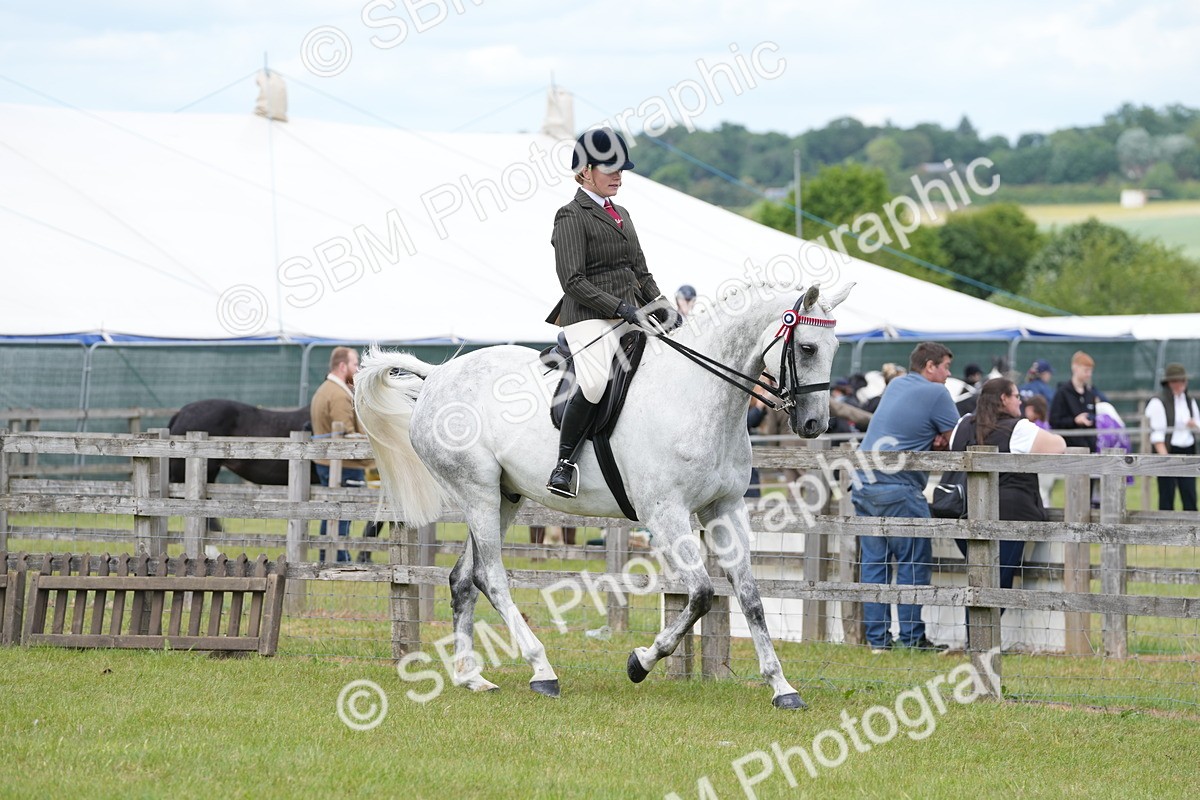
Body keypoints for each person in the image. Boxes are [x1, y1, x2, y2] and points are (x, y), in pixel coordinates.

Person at [543, 128, 677, 499]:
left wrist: (666, 309)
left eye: (622, 169)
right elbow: (572, 280)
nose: (619, 175)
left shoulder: (622, 214)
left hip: (630, 313)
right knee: (597, 381)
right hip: (588, 316)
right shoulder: (570, 215)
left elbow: (640, 272)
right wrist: (620, 308)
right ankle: (564, 464)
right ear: (585, 171)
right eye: (611, 168)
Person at [852, 342, 961, 654]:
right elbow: (958, 437)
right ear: (929, 367)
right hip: (898, 488)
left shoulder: (897, 383)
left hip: (863, 483)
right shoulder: (937, 392)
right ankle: (912, 639)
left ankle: (878, 643)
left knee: (874, 564)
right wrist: (940, 437)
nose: (948, 374)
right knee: (912, 562)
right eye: (944, 367)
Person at [949, 378, 1067, 602]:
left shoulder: (963, 424)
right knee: (995, 586)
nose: (1020, 402)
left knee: (980, 581)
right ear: (1004, 398)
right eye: (1017, 396)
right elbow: (1058, 446)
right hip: (1008, 517)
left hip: (964, 513)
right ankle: (975, 638)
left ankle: (974, 636)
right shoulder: (1017, 428)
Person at [311, 346, 373, 563]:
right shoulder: (338, 395)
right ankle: (338, 557)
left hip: (330, 462)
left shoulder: (325, 389)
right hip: (344, 464)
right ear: (342, 366)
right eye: (355, 364)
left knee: (333, 509)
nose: (357, 370)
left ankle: (327, 554)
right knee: (343, 511)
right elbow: (346, 436)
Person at [1145, 363, 1199, 511]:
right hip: (1168, 451)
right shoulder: (1158, 402)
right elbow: (1157, 436)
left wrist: (1193, 424)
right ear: (1168, 383)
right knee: (1167, 496)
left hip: (1188, 450)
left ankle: (1193, 530)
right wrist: (1166, 460)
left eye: (1182, 380)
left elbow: (1198, 423)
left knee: (1189, 495)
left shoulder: (1189, 400)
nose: (1180, 384)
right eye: (1175, 381)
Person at [1050, 351, 1102, 453]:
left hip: (1089, 450)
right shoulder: (1062, 393)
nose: (1089, 374)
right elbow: (1054, 421)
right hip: (1069, 450)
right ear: (1075, 367)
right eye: (1086, 370)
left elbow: (1093, 423)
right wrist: (1074, 421)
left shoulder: (1090, 394)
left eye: (1090, 371)